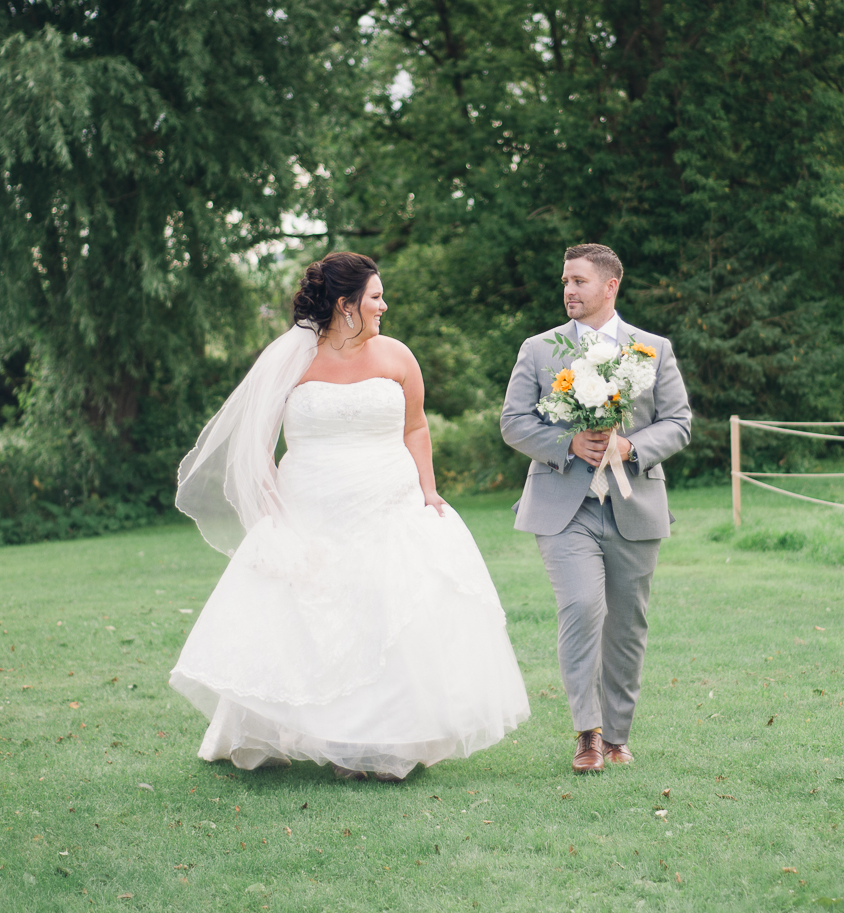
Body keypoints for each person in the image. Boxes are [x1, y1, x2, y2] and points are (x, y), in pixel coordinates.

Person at [169, 252, 529, 781]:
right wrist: (273, 506)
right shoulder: (293, 361)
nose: (385, 305)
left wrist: (428, 490)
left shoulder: (398, 356)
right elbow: (256, 445)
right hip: (311, 505)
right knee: (303, 617)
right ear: (345, 305)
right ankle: (293, 730)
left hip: (389, 501)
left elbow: (415, 428)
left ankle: (384, 742)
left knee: (389, 609)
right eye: (376, 296)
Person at [500, 243, 692, 773]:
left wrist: (630, 447)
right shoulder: (539, 349)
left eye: (579, 281)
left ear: (610, 287)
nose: (568, 290)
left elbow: (678, 423)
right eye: (565, 281)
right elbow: (514, 422)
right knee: (583, 607)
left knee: (627, 625)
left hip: (634, 503)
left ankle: (618, 737)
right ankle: (588, 733)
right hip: (565, 507)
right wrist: (567, 445)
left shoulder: (652, 349)